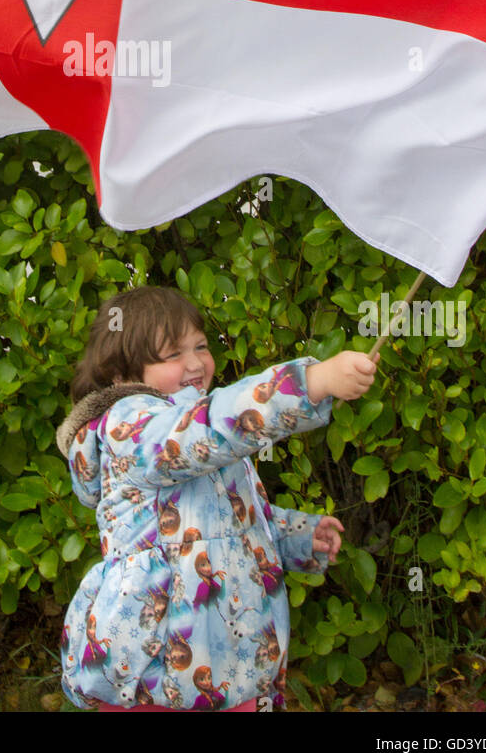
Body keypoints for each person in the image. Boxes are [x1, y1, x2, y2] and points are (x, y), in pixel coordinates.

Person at [55, 284, 378, 712]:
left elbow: (233, 523)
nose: (194, 363)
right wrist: (309, 383)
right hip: (157, 664)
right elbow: (203, 431)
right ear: (121, 374)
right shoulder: (130, 426)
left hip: (230, 657)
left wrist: (297, 535)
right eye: (172, 354)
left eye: (201, 346)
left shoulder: (200, 428)